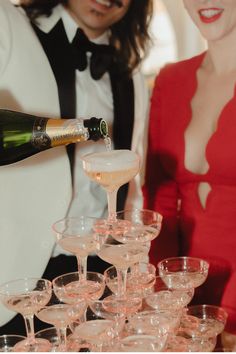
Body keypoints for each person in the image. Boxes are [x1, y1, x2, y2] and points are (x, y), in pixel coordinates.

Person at [0, 0, 152, 334]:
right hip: (19, 272)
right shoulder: (12, 27)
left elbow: (133, 183)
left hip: (97, 276)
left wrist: (134, 267)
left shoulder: (130, 71)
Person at [143, 0, 236, 346]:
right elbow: (160, 200)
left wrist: (228, 314)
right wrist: (166, 296)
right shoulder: (170, 80)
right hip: (183, 301)